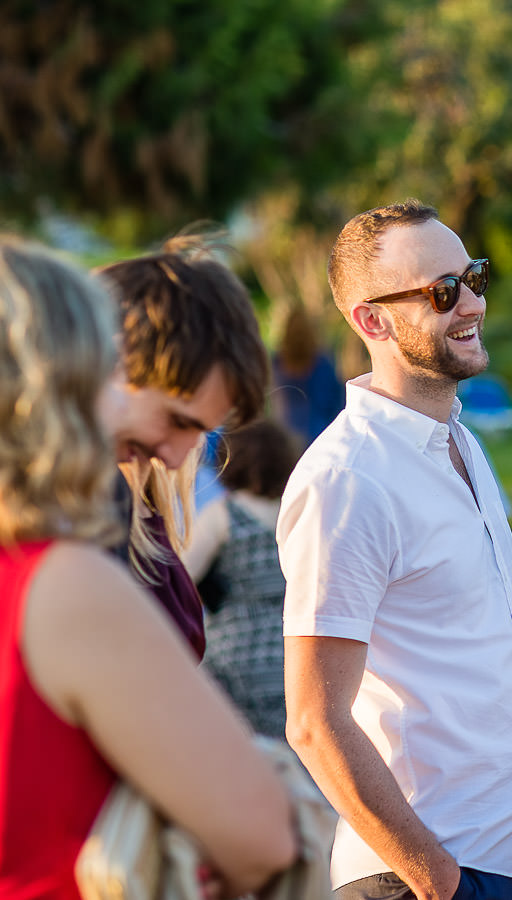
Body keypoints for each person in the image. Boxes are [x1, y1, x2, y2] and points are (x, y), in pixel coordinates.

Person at [279, 199, 512, 899]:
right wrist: (436, 879)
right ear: (371, 320)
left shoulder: (460, 443)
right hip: (426, 871)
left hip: (508, 855)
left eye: (474, 277)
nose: (472, 303)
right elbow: (314, 720)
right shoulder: (350, 479)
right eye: (443, 291)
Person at [0, 237, 296, 898]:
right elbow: (262, 839)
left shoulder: (103, 528)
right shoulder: (62, 574)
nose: (179, 451)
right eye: (176, 419)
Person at [95, 236, 271, 659]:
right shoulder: (51, 518)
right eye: (176, 421)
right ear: (112, 363)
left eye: (200, 434)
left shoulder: (134, 506)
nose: (175, 456)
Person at [185, 418, 302, 739]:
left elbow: (182, 577)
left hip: (233, 653)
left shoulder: (223, 515)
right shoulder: (297, 514)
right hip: (292, 653)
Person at [273, 302, 346, 446]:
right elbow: (334, 401)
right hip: (319, 433)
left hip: (285, 433)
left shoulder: (276, 362)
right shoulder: (322, 362)